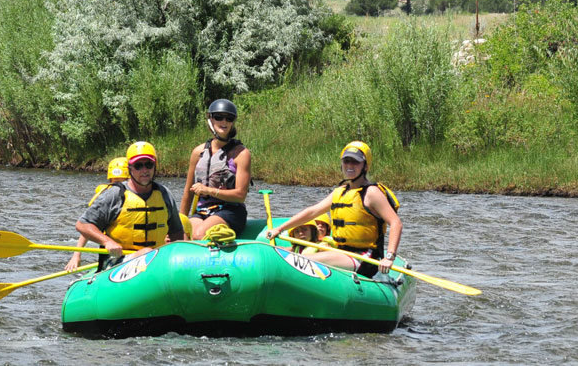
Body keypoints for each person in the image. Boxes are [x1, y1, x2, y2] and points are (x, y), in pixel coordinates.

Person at [266, 141, 401, 277]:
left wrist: (389, 257)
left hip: (365, 257)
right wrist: (280, 228)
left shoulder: (371, 192)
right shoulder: (341, 191)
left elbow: (396, 223)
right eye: (346, 161)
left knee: (301, 260)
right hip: (341, 251)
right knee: (294, 254)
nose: (349, 166)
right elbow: (312, 212)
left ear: (365, 166)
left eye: (355, 162)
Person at [76, 141, 184, 268]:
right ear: (130, 169)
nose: (144, 170)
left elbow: (177, 233)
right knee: (148, 253)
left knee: (151, 254)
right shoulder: (115, 194)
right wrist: (107, 242)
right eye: (138, 166)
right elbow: (82, 224)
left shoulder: (164, 194)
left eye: (148, 165)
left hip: (156, 260)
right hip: (117, 262)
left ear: (155, 166)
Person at [181, 98, 252, 238]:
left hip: (231, 211)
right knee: (185, 235)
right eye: (219, 117)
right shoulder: (198, 152)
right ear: (210, 119)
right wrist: (179, 223)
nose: (224, 122)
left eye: (229, 118)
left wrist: (209, 190)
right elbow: (188, 192)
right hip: (203, 211)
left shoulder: (242, 154)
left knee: (200, 233)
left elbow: (240, 196)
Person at [64, 157, 129, 271]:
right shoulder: (108, 199)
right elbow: (87, 229)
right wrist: (76, 256)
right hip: (113, 252)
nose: (118, 185)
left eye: (122, 181)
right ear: (110, 180)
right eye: (115, 181)